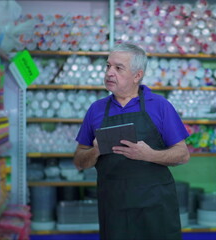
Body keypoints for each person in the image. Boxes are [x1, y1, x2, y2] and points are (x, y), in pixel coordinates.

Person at [73, 43, 190, 240]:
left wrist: (149, 155)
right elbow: (78, 161)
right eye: (108, 66)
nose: (110, 73)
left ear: (137, 75)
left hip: (155, 208)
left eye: (118, 68)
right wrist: (96, 151)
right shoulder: (96, 110)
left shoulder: (160, 106)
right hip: (115, 210)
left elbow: (183, 155)